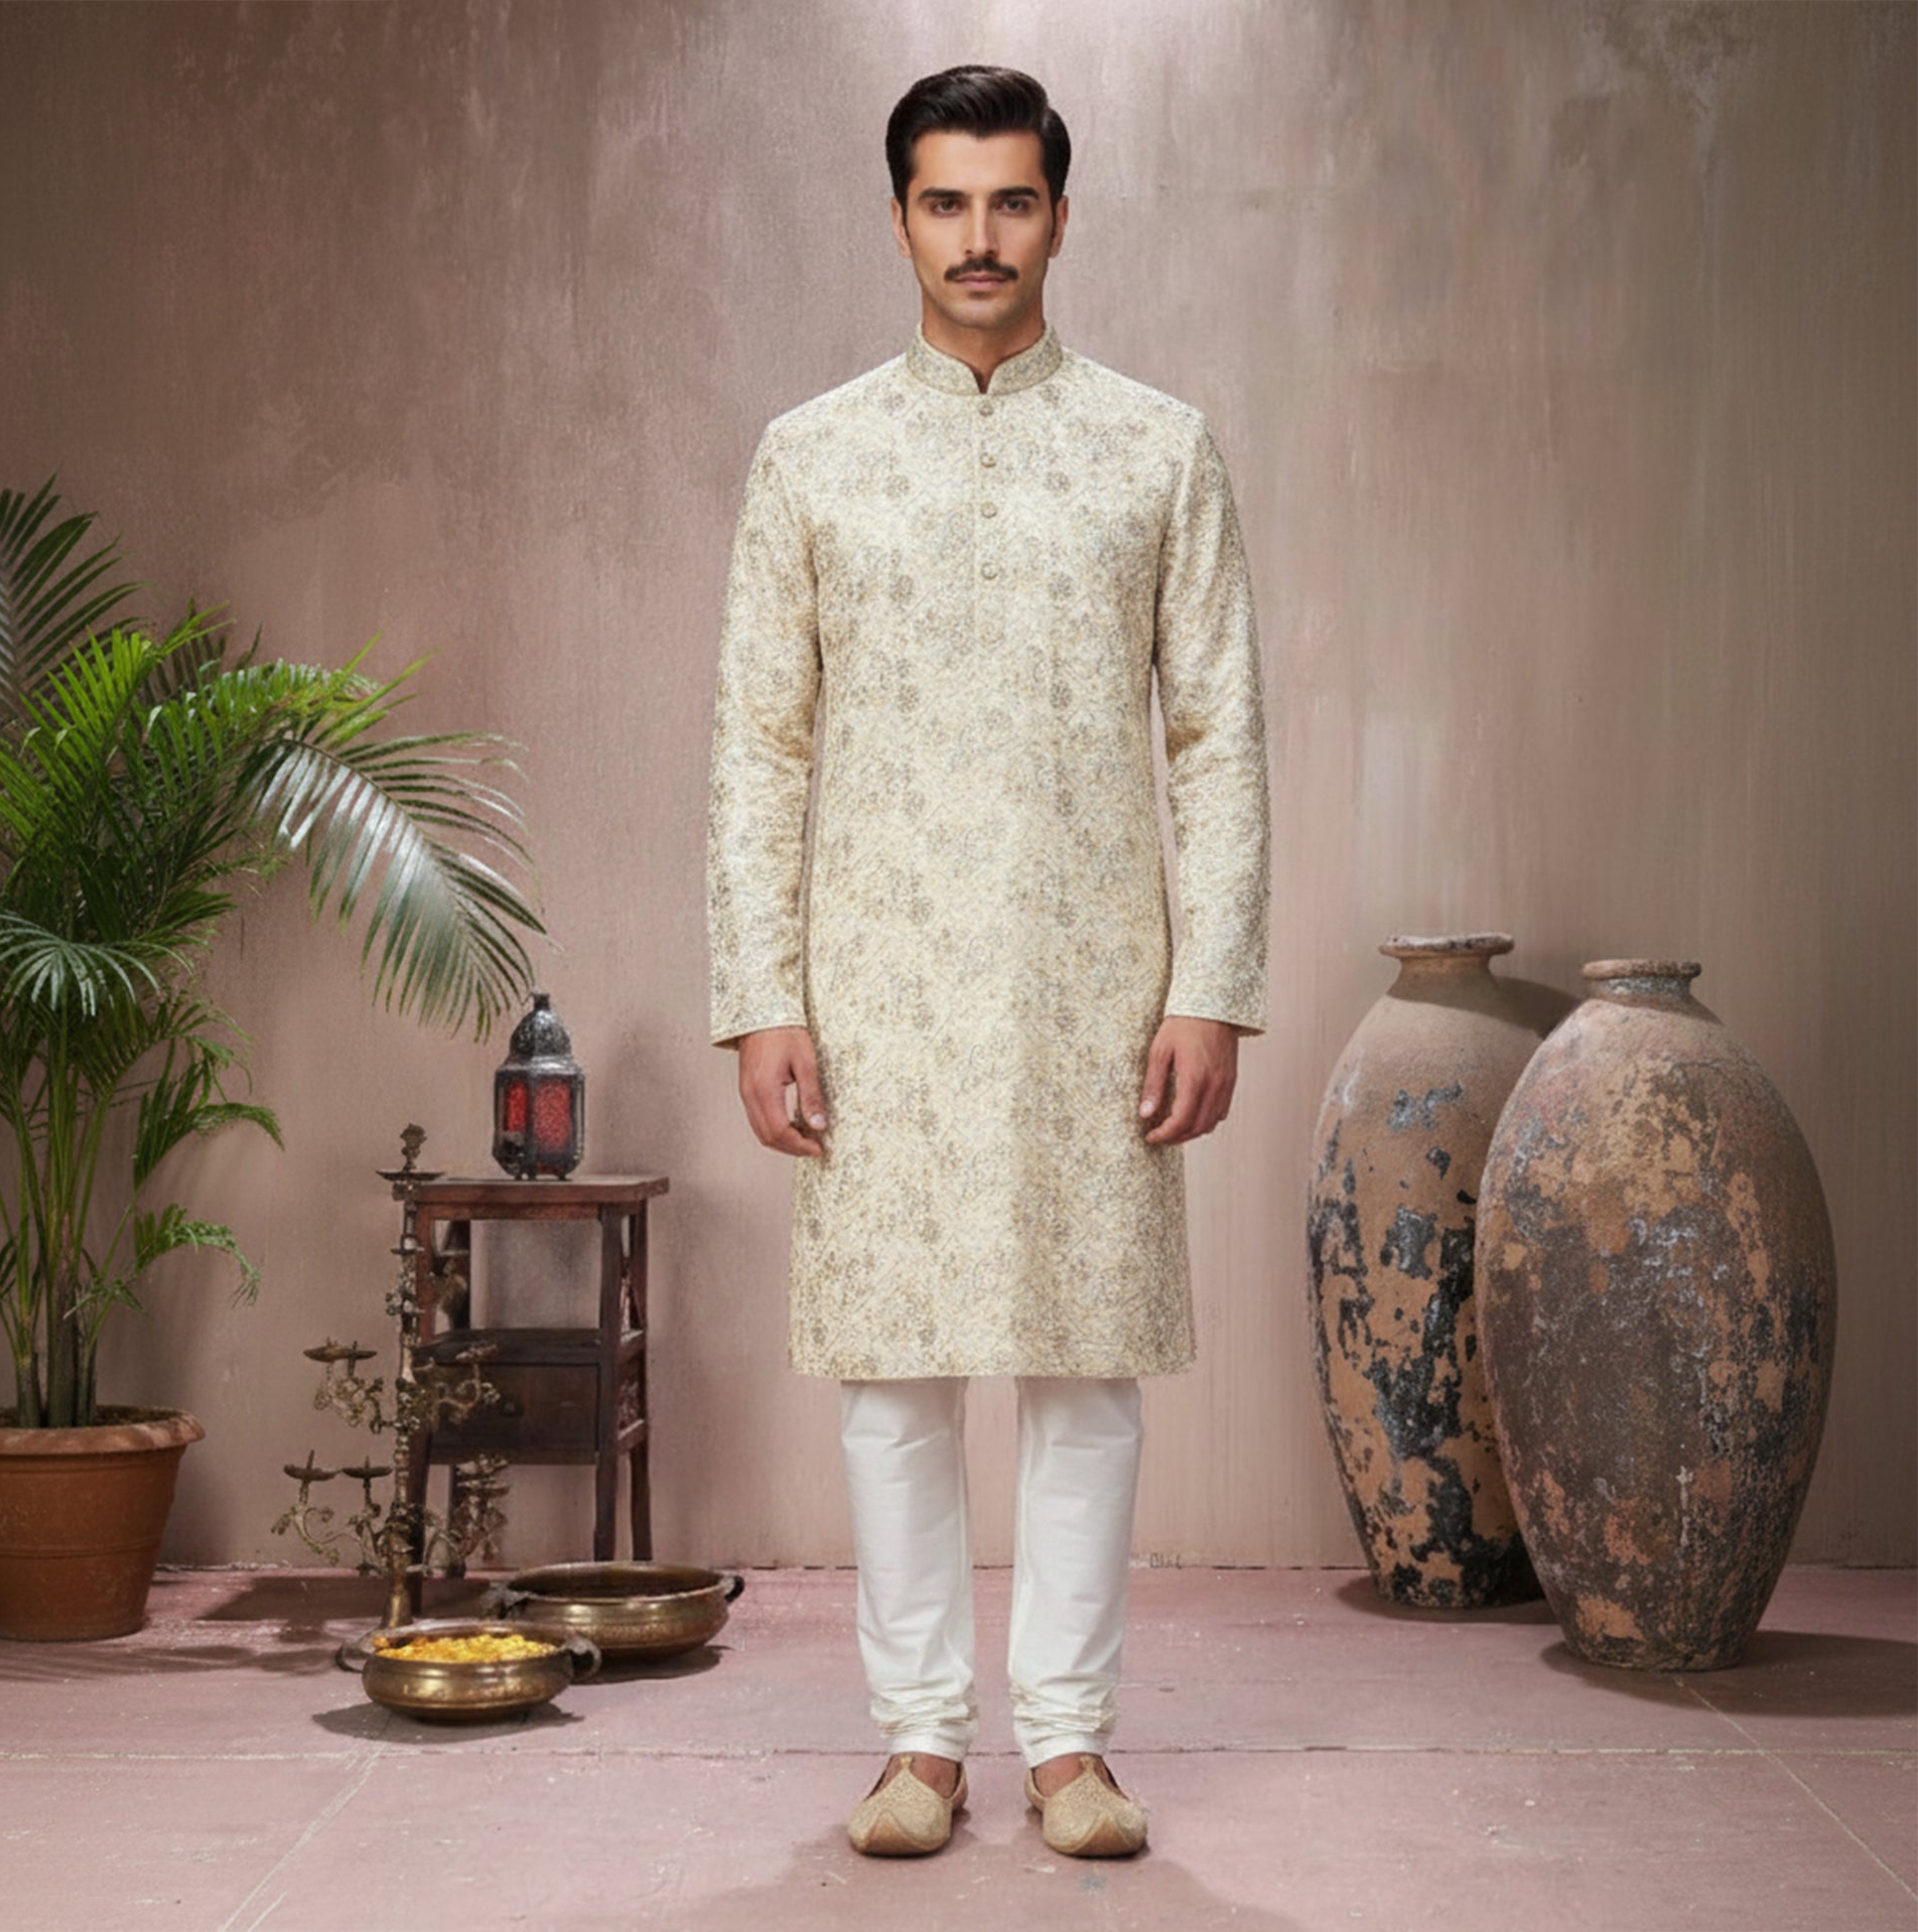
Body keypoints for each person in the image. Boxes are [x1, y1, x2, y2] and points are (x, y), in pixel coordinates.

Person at [706, 64, 1269, 1860]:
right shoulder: (811, 456)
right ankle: (921, 1742)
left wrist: (1209, 983)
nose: (978, 236)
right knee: (894, 1370)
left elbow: (1218, 738)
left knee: (1085, 1365)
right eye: (944, 202)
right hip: (876, 982)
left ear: (1059, 217)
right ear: (898, 219)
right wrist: (764, 996)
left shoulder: (1155, 449)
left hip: (1089, 977)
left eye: (1010, 201)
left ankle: (1074, 1743)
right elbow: (758, 747)